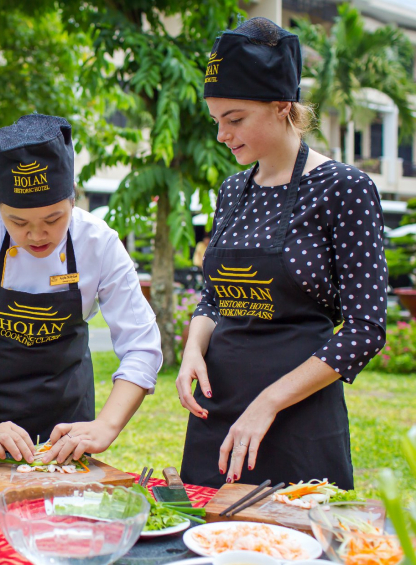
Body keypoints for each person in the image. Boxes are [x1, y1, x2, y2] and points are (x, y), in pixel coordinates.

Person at [177, 18, 387, 490]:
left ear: (282, 106)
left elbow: (365, 329)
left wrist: (269, 402)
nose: (221, 135)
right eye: (216, 121)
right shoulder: (233, 190)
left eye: (234, 119)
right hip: (220, 411)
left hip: (299, 419)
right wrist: (194, 347)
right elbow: (214, 299)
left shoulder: (344, 188)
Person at [0, 114, 163, 465]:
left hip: (67, 425)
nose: (37, 236)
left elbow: (141, 343)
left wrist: (106, 426)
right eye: (18, 222)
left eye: (53, 219)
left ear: (73, 202)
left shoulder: (99, 243)